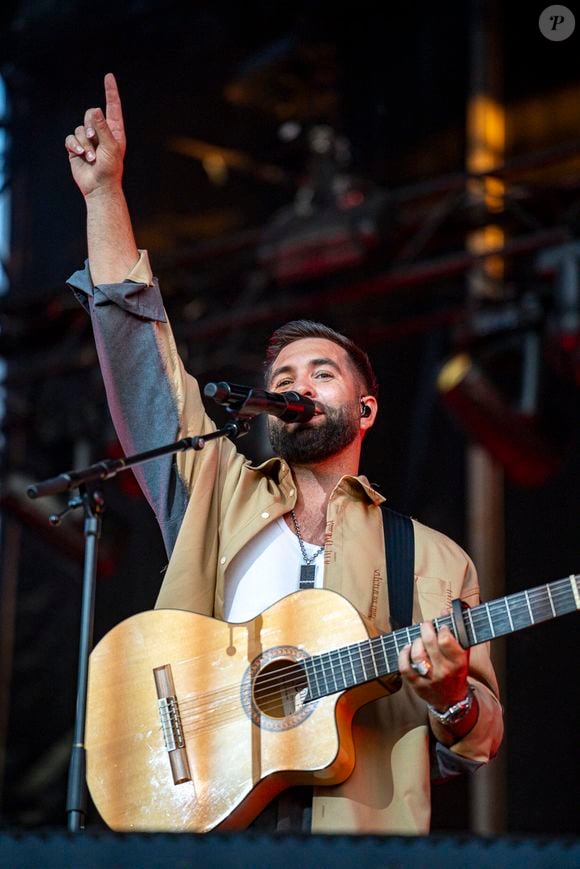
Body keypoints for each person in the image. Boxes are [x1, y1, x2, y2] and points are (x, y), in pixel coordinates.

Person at [65, 73, 503, 835]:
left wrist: (452, 695)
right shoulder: (216, 486)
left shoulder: (431, 558)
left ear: (364, 408)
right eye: (283, 378)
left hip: (355, 842)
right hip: (205, 818)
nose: (296, 383)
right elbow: (141, 362)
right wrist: (105, 194)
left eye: (320, 373)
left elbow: (480, 740)